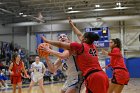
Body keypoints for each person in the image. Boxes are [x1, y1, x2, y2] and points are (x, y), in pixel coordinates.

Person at [41, 19, 109, 93]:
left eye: (64, 36)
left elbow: (62, 53)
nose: (62, 37)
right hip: (72, 78)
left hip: (80, 77)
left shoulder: (74, 48)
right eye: (60, 37)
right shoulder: (88, 45)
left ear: (69, 40)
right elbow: (52, 69)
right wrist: (46, 56)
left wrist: (48, 47)